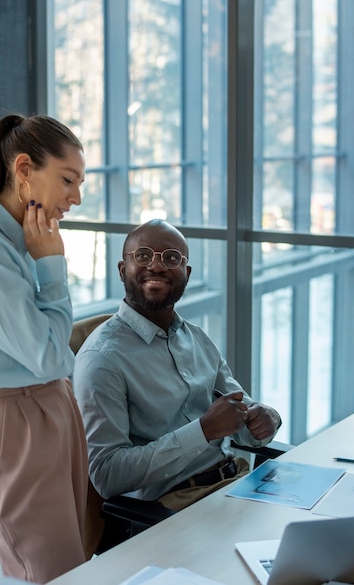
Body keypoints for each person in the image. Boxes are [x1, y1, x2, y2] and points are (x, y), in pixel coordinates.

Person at [0, 114, 89, 584]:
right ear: (25, 168)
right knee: (45, 573)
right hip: (16, 422)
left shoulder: (26, 240)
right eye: (68, 180)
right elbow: (49, 354)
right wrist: (53, 267)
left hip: (54, 409)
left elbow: (51, 353)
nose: (76, 197)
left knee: (72, 565)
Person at [73, 219, 282, 514]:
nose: (157, 267)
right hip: (172, 509)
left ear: (186, 273)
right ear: (123, 270)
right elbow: (106, 475)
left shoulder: (197, 338)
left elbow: (244, 425)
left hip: (235, 484)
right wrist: (204, 431)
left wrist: (266, 418)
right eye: (143, 255)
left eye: (171, 258)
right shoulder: (102, 358)